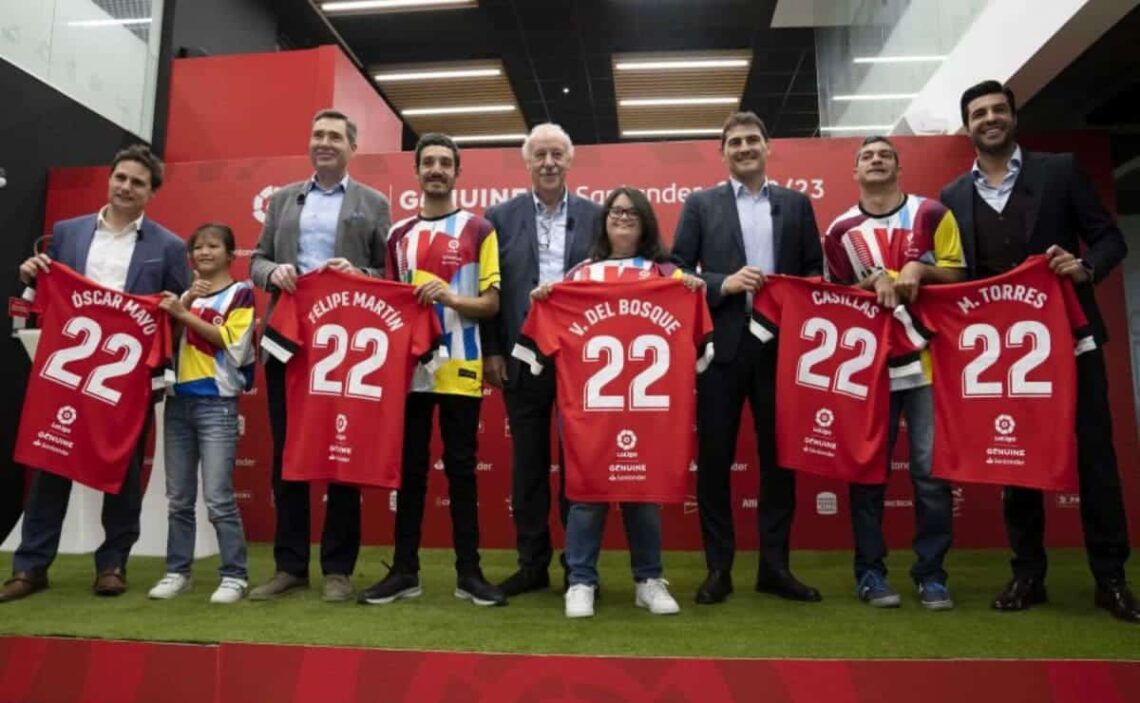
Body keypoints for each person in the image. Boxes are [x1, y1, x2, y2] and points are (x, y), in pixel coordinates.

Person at [941, 80, 1137, 622]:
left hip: (1072, 340)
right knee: (1014, 461)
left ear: (1013, 117)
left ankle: (1111, 579)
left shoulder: (1060, 170)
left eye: (998, 109)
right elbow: (959, 278)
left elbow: (1109, 239)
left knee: (1096, 458)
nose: (989, 119)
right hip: (1005, 355)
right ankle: (1028, 574)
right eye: (978, 113)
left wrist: (1085, 268)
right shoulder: (954, 196)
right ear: (968, 127)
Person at [1, 145, 189, 602]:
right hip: (67, 370)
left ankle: (112, 564)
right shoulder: (67, 233)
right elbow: (41, 290)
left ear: (152, 193)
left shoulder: (167, 246)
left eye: (138, 183)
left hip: (124, 379)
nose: (126, 187)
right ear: (110, 179)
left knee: (121, 469)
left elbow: (183, 308)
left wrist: (173, 311)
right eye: (121, 178)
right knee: (51, 463)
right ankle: (30, 567)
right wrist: (30, 274)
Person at [529, 186, 703, 618]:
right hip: (592, 408)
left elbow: (695, 338)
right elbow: (546, 333)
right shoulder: (580, 275)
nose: (622, 217)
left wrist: (694, 292)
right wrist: (546, 300)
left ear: (645, 221)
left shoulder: (669, 275)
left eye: (632, 212)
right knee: (587, 492)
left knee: (643, 493)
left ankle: (649, 579)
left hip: (647, 409)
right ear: (603, 220)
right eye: (614, 211)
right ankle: (581, 580)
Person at [672, 111, 824, 605]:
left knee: (780, 460)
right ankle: (719, 569)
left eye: (751, 140)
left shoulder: (796, 204)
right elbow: (676, 271)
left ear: (767, 146)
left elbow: (813, 272)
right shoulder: (700, 204)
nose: (743, 148)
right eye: (734, 142)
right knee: (715, 458)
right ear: (723, 152)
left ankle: (775, 567)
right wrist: (722, 283)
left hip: (784, 349)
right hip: (722, 348)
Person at [248, 109, 390, 603]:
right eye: (317, 135)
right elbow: (256, 259)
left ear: (352, 147)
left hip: (345, 349)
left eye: (334, 136)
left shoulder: (373, 202)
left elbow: (386, 272)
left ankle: (338, 568)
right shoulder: (285, 198)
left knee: (341, 455)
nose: (324, 142)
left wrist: (357, 273)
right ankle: (289, 566)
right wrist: (273, 274)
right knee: (288, 454)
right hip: (287, 340)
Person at [358, 134, 506, 607]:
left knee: (462, 469)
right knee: (411, 471)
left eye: (445, 162)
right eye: (429, 163)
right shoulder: (397, 236)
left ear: (457, 172)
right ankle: (405, 571)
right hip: (411, 370)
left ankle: (470, 573)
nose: (437, 169)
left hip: (461, 364)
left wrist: (450, 298)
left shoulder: (480, 230)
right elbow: (386, 304)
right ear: (417, 172)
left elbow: (491, 303)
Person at [822, 136, 965, 610]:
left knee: (929, 474)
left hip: (927, 362)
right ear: (856, 172)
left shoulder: (932, 214)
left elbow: (960, 276)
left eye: (885, 154)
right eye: (867, 156)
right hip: (870, 369)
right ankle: (870, 573)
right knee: (868, 474)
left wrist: (920, 273)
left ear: (898, 167)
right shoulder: (840, 231)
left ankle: (932, 574)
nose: (876, 160)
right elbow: (834, 301)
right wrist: (870, 282)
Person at [482, 123, 602, 596]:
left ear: (569, 162)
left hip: (582, 361)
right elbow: (488, 287)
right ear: (527, 163)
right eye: (540, 155)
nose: (549, 163)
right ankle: (532, 564)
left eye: (557, 155)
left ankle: (579, 567)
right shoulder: (499, 216)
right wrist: (492, 348)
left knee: (578, 465)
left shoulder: (597, 215)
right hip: (519, 354)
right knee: (528, 467)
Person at [147, 224, 255, 604]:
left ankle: (234, 576)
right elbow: (163, 342)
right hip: (177, 402)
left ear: (230, 254)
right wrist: (183, 306)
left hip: (217, 403)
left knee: (218, 497)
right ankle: (178, 571)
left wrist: (184, 312)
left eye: (213, 246)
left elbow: (232, 344)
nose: (205, 252)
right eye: (198, 246)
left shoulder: (241, 293)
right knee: (178, 498)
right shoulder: (185, 296)